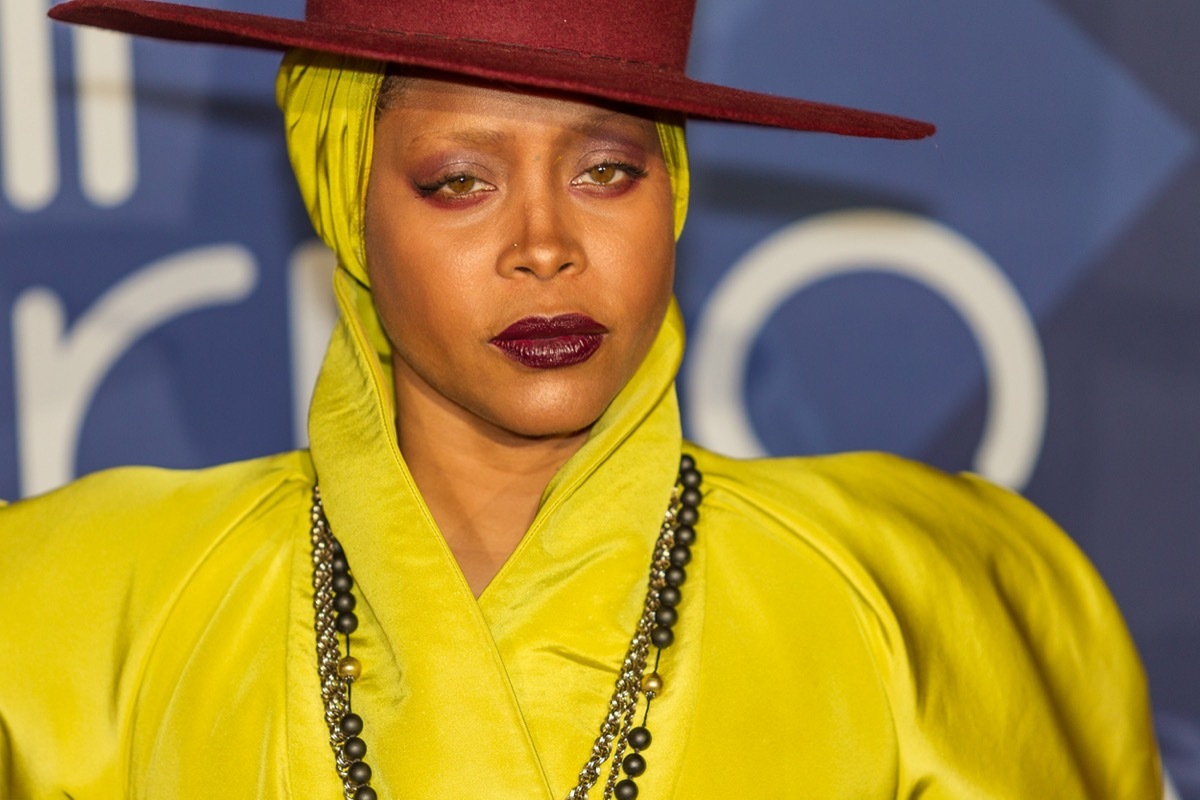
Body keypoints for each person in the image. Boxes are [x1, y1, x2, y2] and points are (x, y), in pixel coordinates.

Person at [0, 0, 1161, 798]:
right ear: (344, 198)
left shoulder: (923, 597)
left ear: (676, 189)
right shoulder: (76, 618)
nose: (546, 245)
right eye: (459, 181)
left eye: (608, 169)